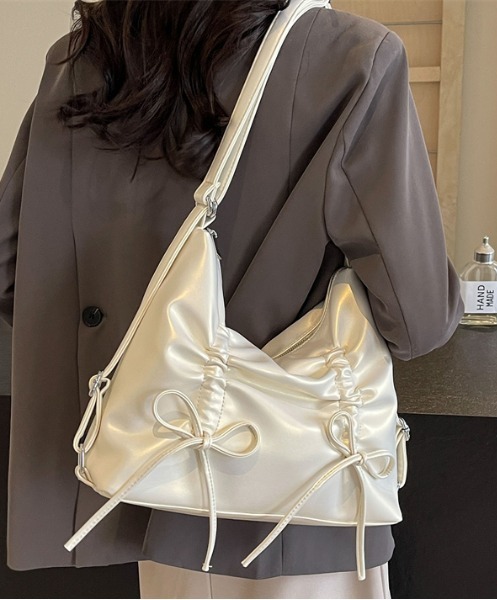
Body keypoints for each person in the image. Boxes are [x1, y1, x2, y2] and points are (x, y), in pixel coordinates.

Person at [0, 1, 463, 598]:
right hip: (299, 495)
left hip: (149, 471)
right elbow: (418, 319)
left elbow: (14, 269)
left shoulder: (87, 59)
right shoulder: (349, 56)